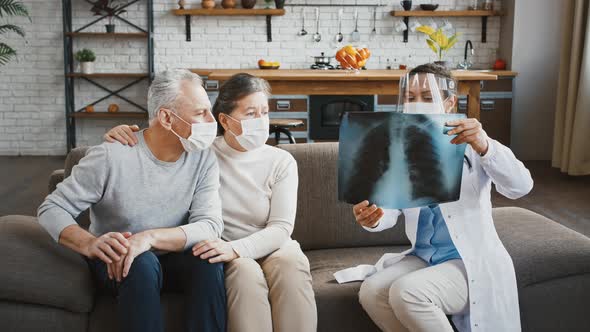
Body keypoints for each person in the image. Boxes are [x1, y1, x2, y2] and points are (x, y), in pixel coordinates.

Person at [104, 73, 317, 332]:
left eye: (264, 112)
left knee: (292, 267)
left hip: (274, 246)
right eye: (251, 113)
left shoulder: (282, 162)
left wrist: (238, 248)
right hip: (224, 250)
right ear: (225, 120)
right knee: (245, 277)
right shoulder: (201, 155)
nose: (261, 121)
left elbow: (281, 229)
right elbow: (160, 139)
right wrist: (122, 133)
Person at [337, 63, 533, 332]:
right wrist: (372, 218)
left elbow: (520, 186)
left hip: (469, 262)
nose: (417, 104)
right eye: (410, 97)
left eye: (428, 98)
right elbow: (389, 212)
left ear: (450, 102)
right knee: (372, 291)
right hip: (425, 256)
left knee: (407, 292)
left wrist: (485, 145)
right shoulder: (397, 151)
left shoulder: (472, 145)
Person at [38, 69, 227, 332]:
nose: (211, 120)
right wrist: (90, 243)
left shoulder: (203, 158)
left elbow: (209, 224)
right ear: (166, 117)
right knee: (138, 259)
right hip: (122, 262)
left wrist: (148, 238)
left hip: (172, 255)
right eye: (200, 112)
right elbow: (51, 208)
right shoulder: (111, 156)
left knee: (207, 260)